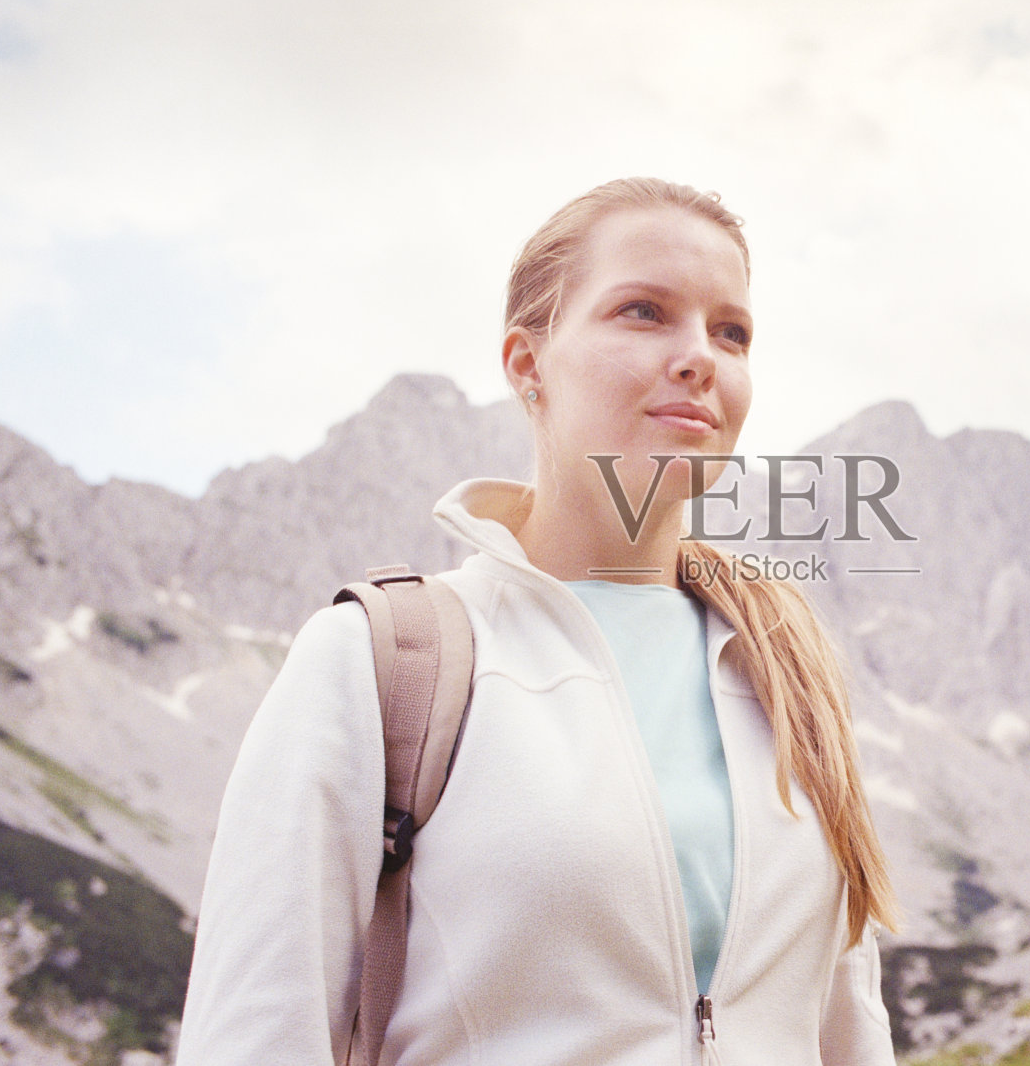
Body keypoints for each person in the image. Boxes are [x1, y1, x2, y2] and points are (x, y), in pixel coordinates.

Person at [175, 177, 899, 1065]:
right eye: (643, 311)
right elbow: (251, 1039)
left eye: (731, 331)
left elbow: (850, 1034)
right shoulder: (382, 660)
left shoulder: (790, 674)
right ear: (527, 364)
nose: (699, 356)